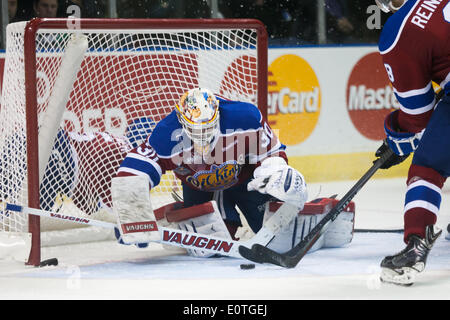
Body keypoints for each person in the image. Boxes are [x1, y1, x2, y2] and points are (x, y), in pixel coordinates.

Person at [111, 88, 354, 256]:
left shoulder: (244, 117)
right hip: (199, 188)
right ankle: (181, 216)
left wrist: (276, 174)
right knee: (210, 247)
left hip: (243, 182)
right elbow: (136, 169)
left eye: (208, 128)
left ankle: (323, 206)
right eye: (194, 131)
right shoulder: (167, 133)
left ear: (218, 115)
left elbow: (271, 153)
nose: (202, 137)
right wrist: (132, 215)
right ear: (181, 122)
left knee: (278, 239)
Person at [372, 0, 449, 285]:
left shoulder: (398, 31)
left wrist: (396, 137)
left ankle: (416, 246)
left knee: (429, 167)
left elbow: (418, 116)